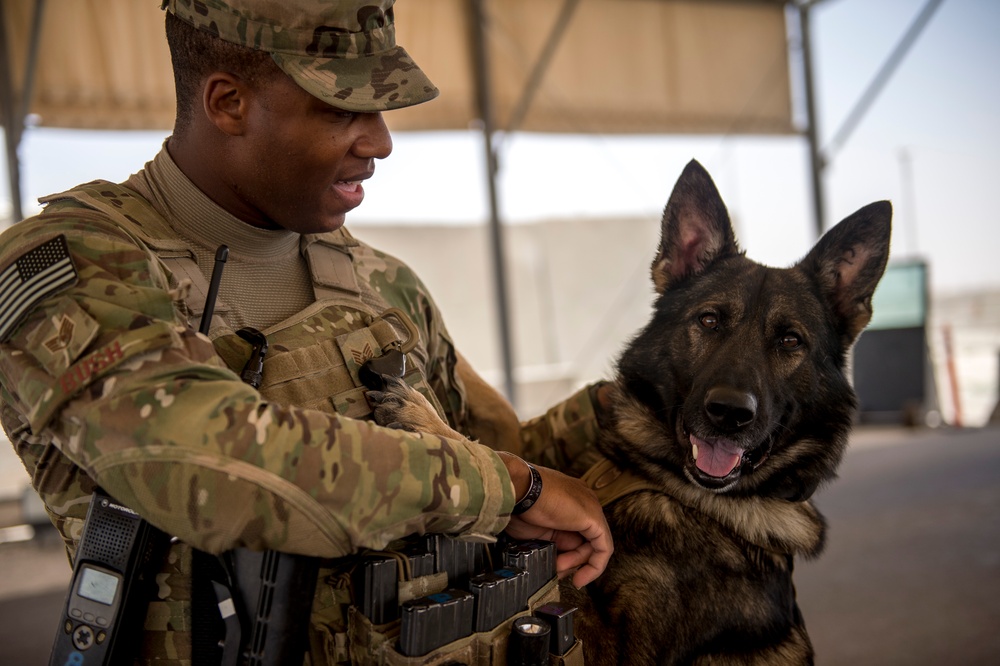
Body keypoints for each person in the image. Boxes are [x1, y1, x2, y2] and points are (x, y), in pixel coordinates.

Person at [0, 1, 612, 663]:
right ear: (228, 103)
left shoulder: (381, 282)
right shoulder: (69, 262)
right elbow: (213, 466)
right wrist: (510, 486)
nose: (381, 142)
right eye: (342, 108)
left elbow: (493, 449)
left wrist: (630, 407)